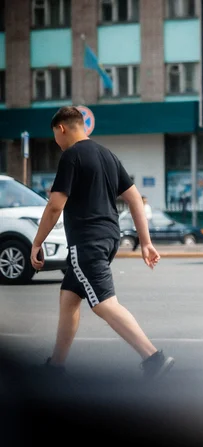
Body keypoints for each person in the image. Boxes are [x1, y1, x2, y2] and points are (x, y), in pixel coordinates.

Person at [31, 106, 175, 379]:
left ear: (62, 128)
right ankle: (56, 366)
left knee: (103, 303)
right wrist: (145, 242)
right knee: (69, 298)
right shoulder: (107, 154)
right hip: (109, 236)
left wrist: (36, 243)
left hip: (87, 240)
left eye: (55, 136)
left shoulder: (71, 156)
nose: (56, 142)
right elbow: (134, 198)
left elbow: (54, 206)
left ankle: (154, 358)